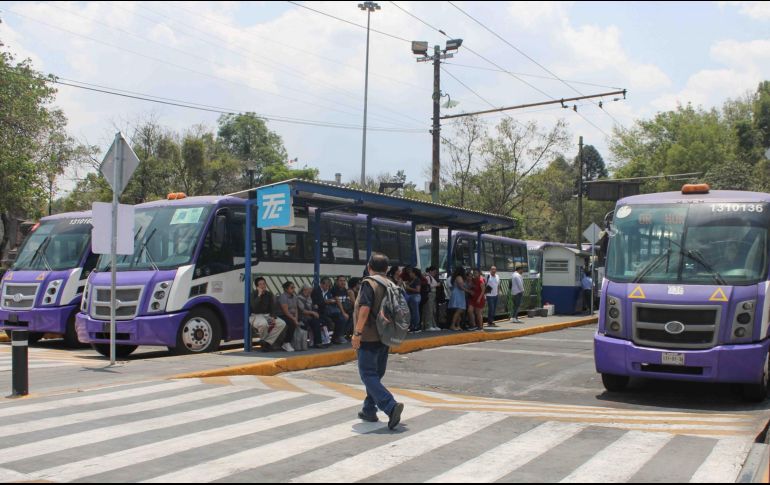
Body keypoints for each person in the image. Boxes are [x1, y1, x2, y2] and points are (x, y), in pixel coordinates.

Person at [352, 252, 405, 430]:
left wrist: (357, 333)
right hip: (385, 336)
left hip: (368, 336)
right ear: (387, 269)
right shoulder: (391, 283)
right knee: (376, 374)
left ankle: (390, 406)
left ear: (369, 267)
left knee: (367, 374)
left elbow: (365, 309)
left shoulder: (369, 283)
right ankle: (368, 409)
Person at [249, 277, 287, 352]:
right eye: (260, 284)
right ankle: (263, 342)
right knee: (263, 324)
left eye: (264, 283)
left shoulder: (269, 294)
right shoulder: (254, 294)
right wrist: (259, 295)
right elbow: (254, 307)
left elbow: (272, 307)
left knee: (281, 323)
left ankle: (267, 342)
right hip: (256, 316)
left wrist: (272, 316)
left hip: (267, 315)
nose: (263, 285)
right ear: (257, 286)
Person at [276, 281, 301, 352]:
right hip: (282, 315)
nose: (294, 289)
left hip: (292, 315)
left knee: (303, 321)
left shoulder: (294, 297)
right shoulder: (283, 297)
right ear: (286, 289)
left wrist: (296, 318)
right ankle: (286, 342)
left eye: (294, 287)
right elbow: (286, 312)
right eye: (292, 288)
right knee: (291, 323)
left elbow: (296, 309)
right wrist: (294, 320)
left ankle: (298, 342)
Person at [402, 267, 422, 333]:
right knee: (410, 311)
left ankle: (416, 325)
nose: (409, 274)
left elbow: (418, 290)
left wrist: (408, 288)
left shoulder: (417, 280)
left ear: (414, 273)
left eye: (411, 272)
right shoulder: (411, 280)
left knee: (415, 311)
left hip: (415, 296)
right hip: (410, 296)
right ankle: (412, 325)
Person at [422, 267, 440, 332]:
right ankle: (428, 325)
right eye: (434, 272)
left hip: (433, 294)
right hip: (430, 294)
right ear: (430, 271)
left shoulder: (431, 277)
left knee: (432, 310)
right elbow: (428, 286)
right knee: (429, 310)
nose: (435, 273)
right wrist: (436, 285)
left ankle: (432, 325)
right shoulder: (428, 277)